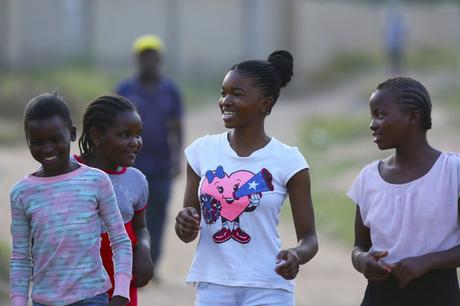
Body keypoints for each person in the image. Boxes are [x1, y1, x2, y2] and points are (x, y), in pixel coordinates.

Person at [175, 50, 318, 305]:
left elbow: (309, 239)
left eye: (237, 94)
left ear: (265, 104)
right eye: (223, 93)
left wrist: (296, 255)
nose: (225, 101)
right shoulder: (201, 152)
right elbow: (188, 232)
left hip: (268, 287)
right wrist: (183, 223)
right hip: (213, 285)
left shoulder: (288, 161)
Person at [9, 93, 132, 306]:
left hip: (92, 297)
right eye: (37, 142)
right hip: (44, 300)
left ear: (72, 133)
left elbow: (120, 241)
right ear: (28, 141)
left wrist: (121, 291)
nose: (47, 149)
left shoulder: (97, 181)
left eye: (56, 139)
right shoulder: (22, 193)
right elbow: (20, 258)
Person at [348, 77, 460, 306]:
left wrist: (428, 262)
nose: (373, 124)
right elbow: (359, 246)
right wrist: (362, 261)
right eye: (372, 117)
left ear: (413, 116)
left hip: (438, 294)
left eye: (380, 115)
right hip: (380, 295)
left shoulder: (452, 172)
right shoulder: (368, 178)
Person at [75, 95, 154, 305]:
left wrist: (144, 250)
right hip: (75, 280)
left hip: (121, 279)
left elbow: (141, 227)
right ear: (96, 136)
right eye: (125, 135)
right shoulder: (70, 171)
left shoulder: (136, 181)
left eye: (139, 135)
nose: (135, 143)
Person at [116, 34, 184, 274]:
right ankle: (131, 265)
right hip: (132, 167)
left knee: (157, 216)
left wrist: (177, 160)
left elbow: (177, 126)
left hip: (161, 167)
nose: (149, 62)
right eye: (144, 57)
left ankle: (152, 263)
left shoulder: (170, 91)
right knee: (129, 217)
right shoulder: (125, 89)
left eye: (153, 57)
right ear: (137, 60)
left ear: (159, 59)